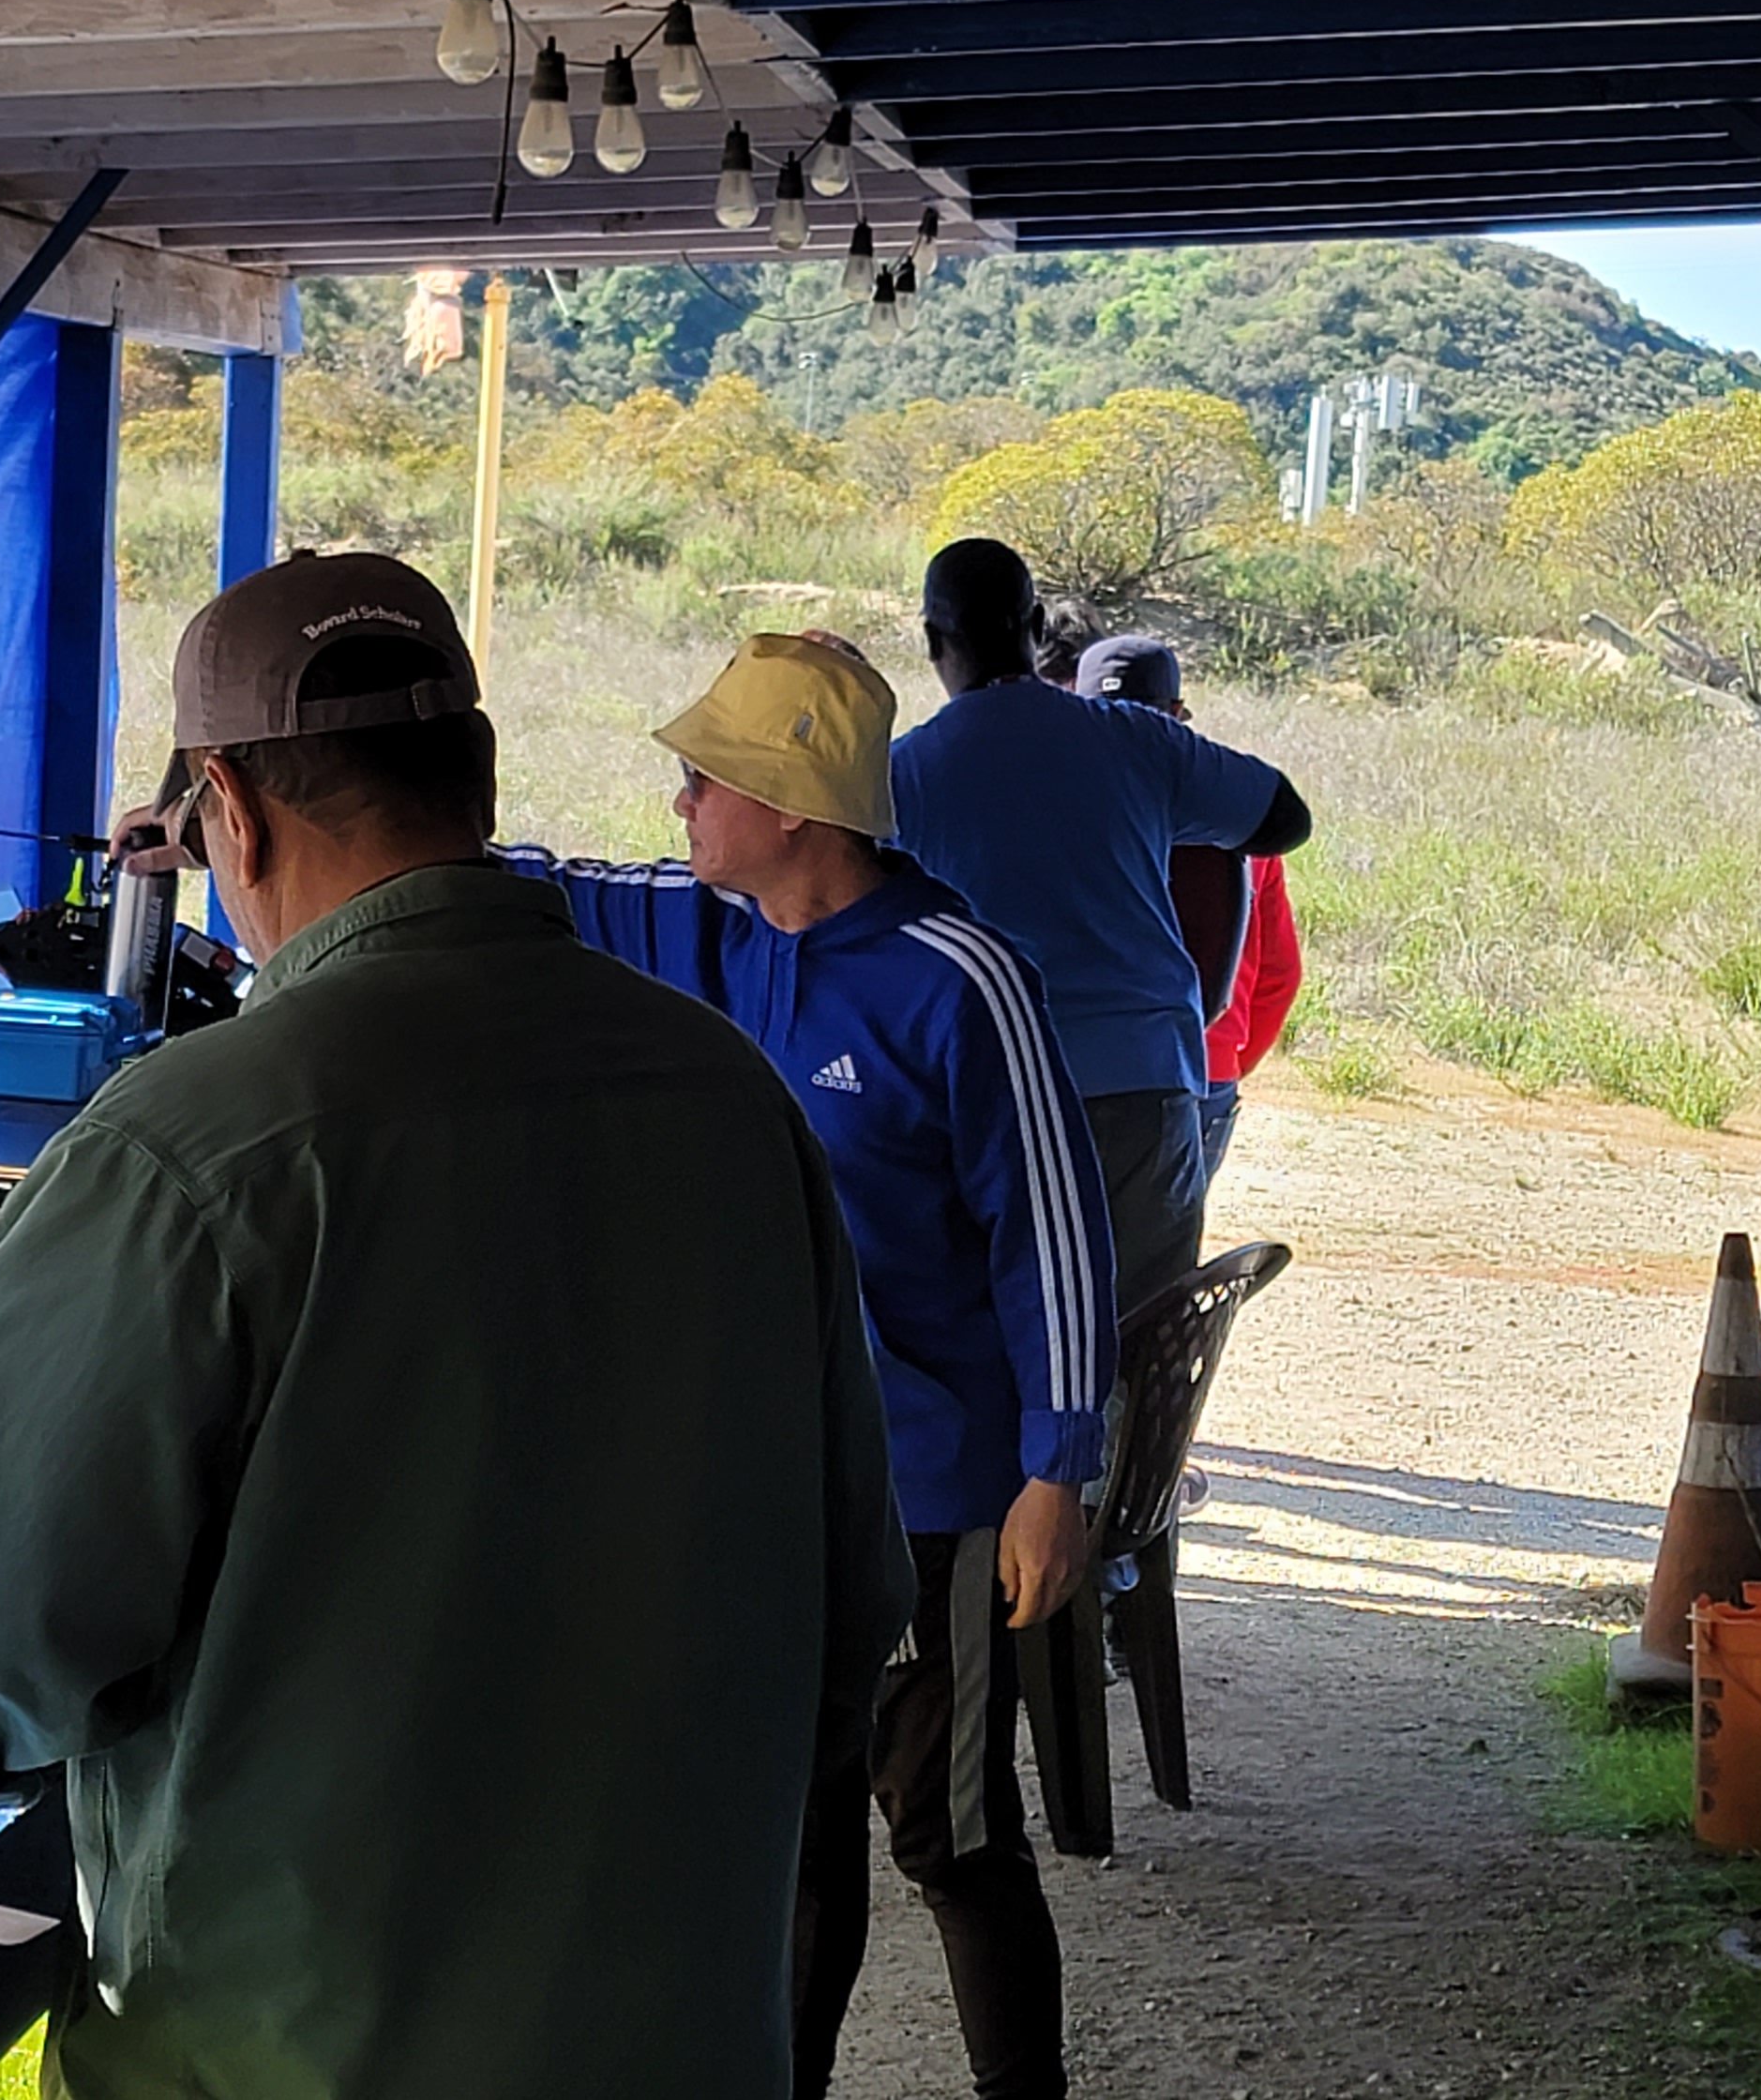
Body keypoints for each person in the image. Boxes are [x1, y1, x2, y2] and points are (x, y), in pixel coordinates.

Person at [0, 553, 917, 2100]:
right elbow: (853, 1605)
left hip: (282, 2052)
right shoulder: (732, 1098)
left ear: (232, 816)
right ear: (480, 775)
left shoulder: (191, 1144)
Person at [497, 633, 1111, 2100]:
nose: (682, 804)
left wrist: (1058, 1469)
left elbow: (1055, 1234)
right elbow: (521, 885)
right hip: (767, 1480)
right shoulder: (709, 926)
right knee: (792, 1832)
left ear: (789, 808)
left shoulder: (963, 979)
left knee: (952, 1835)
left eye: (706, 780)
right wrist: (221, 833)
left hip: (932, 1489)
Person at [891, 539, 1312, 1313]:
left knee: (1000, 1331)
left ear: (932, 642)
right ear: (1036, 626)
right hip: (1143, 1080)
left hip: (988, 1087)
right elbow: (1283, 819)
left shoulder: (900, 777)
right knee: (1138, 1329)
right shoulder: (1136, 740)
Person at [1076, 635, 1303, 1168]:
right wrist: (1227, 1058)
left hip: (1086, 1060)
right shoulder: (1236, 815)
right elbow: (1278, 972)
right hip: (1203, 1063)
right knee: (1170, 1223)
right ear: (1177, 714)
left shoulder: (1062, 809)